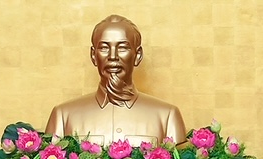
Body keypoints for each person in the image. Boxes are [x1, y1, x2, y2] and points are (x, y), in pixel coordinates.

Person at [45, 15, 186, 145]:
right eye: (104, 48)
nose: (113, 56)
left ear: (137, 55)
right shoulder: (63, 116)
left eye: (122, 48)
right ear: (93, 55)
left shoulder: (167, 117)